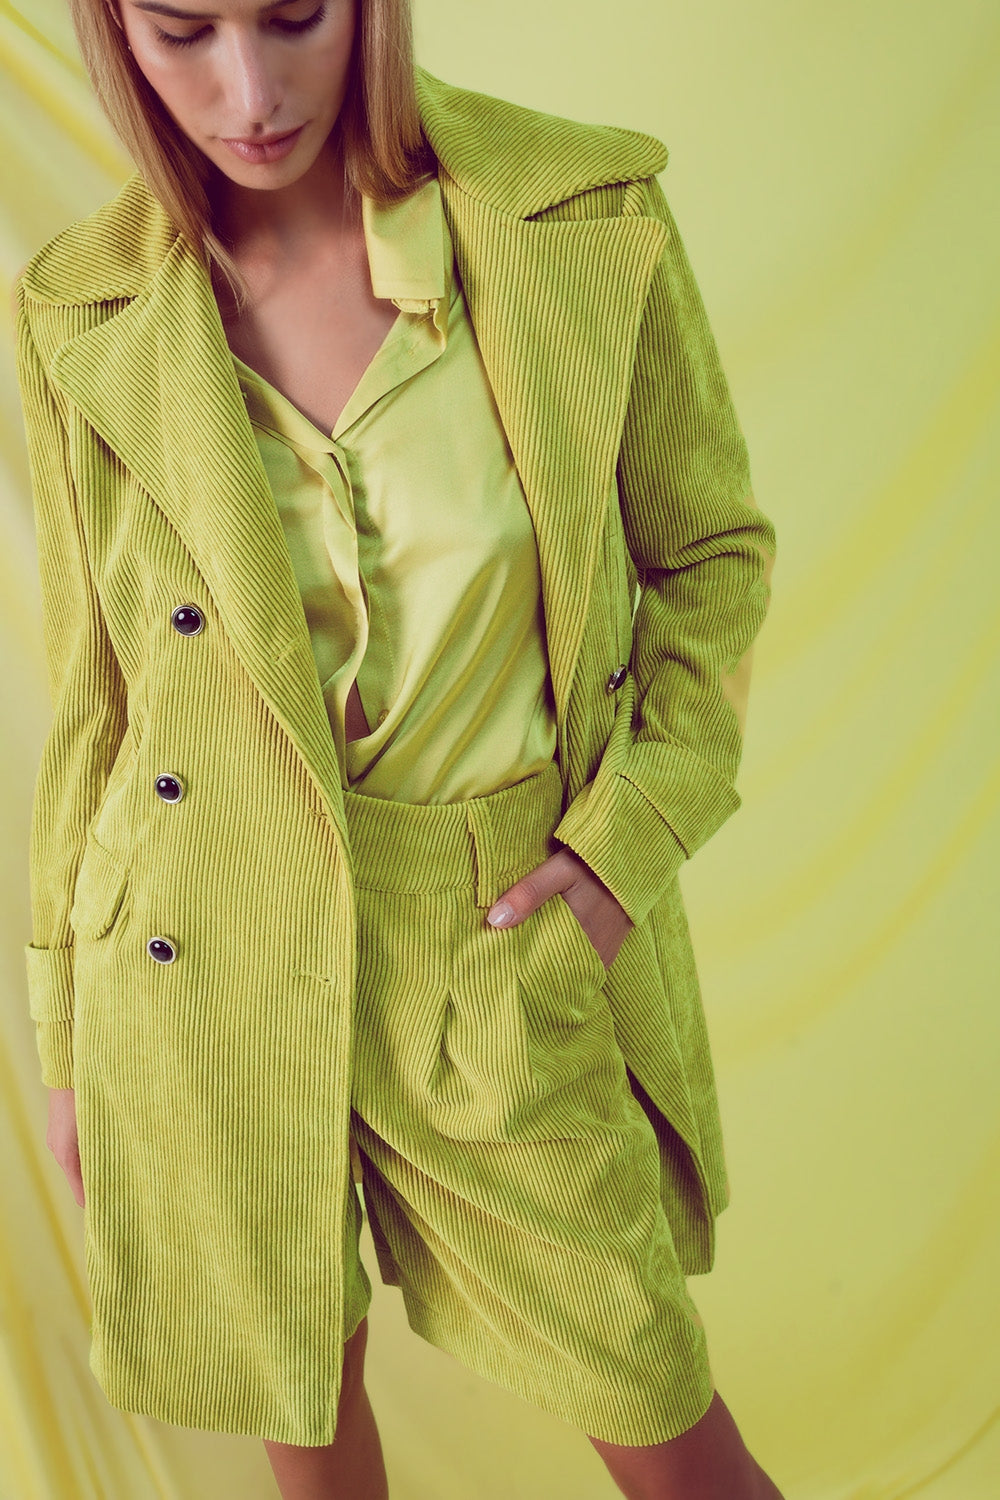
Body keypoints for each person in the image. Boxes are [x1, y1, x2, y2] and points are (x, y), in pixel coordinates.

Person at [14, 1, 782, 1496]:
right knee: (305, 1424)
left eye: (294, 16)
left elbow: (712, 560)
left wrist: (620, 846)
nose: (248, 90)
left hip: (484, 940)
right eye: (183, 32)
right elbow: (96, 699)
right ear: (117, 35)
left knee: (672, 1433)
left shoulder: (570, 218)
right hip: (204, 941)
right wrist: (69, 1038)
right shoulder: (82, 309)